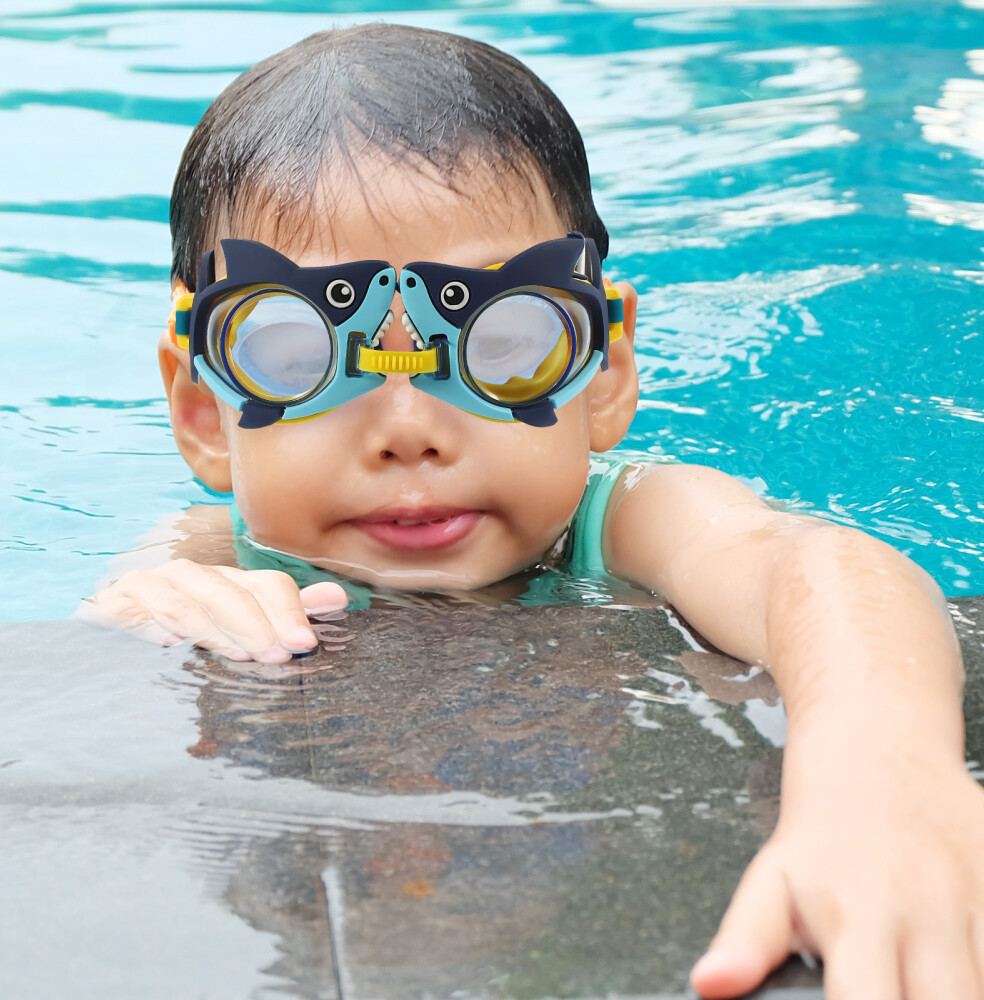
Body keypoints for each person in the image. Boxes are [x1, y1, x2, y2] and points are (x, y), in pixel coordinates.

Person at [79, 24, 984, 1000]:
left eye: (505, 340)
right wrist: (144, 613)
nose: (408, 431)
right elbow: (109, 646)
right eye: (297, 357)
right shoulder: (213, 550)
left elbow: (820, 569)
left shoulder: (630, 516)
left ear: (603, 375)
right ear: (203, 413)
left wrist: (879, 778)